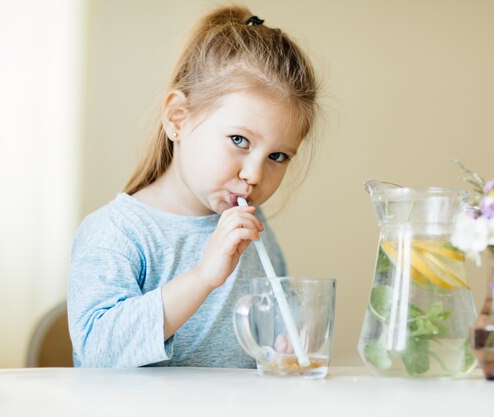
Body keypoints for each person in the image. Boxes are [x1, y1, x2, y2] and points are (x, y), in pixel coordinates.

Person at [67, 5, 319, 368]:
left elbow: (270, 333)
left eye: (277, 156)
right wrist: (202, 278)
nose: (255, 174)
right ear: (178, 120)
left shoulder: (255, 231)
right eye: (239, 140)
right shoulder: (118, 232)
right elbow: (98, 349)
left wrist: (284, 345)